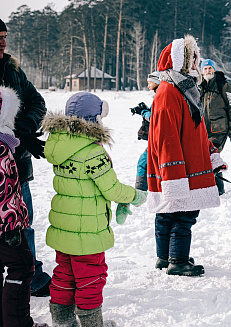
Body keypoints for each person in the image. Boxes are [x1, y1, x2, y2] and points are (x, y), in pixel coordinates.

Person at [42, 92, 147, 327]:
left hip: (63, 226)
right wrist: (135, 195)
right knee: (91, 277)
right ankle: (92, 324)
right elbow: (112, 190)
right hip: (87, 229)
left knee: (64, 273)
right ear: (93, 119)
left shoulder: (61, 145)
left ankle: (62, 320)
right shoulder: (92, 152)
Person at [147, 35, 226, 276]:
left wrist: (211, 155)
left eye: (196, 58)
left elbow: (194, 129)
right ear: (179, 60)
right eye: (191, 58)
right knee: (183, 212)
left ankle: (166, 257)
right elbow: (166, 137)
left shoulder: (182, 88)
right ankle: (178, 261)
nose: (196, 63)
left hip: (187, 162)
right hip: (178, 167)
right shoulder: (170, 91)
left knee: (168, 212)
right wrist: (173, 176)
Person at [0, 18, 51, 297]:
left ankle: (32, 274)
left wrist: (24, 130)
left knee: (23, 220)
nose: (3, 43)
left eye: (5, 36)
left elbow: (37, 103)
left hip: (18, 163)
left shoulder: (13, 70)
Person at [0, 86, 48, 327]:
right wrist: (11, 227)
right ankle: (17, 323)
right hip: (5, 229)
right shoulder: (1, 150)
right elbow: (3, 193)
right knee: (22, 268)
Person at [199, 59, 231, 195]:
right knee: (207, 158)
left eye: (210, 68)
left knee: (212, 156)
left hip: (219, 130)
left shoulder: (224, 86)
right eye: (205, 69)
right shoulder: (200, 87)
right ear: (202, 71)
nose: (208, 71)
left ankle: (219, 189)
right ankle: (211, 186)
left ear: (214, 70)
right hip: (203, 130)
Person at [130, 71, 162, 191]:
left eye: (150, 82)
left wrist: (143, 112)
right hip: (157, 138)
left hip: (158, 139)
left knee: (143, 163)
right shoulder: (160, 95)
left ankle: (140, 192)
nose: (148, 85)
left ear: (157, 82)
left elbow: (155, 118)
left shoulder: (160, 96)